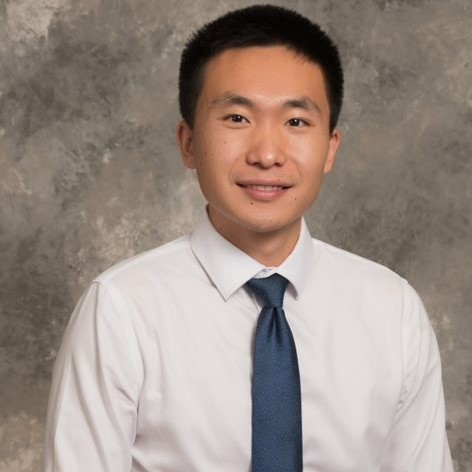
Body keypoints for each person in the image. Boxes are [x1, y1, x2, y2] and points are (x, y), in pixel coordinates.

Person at [43, 5, 453, 472]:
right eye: (237, 118)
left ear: (330, 149)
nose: (267, 154)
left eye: (296, 121)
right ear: (189, 142)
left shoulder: (392, 311)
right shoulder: (120, 311)